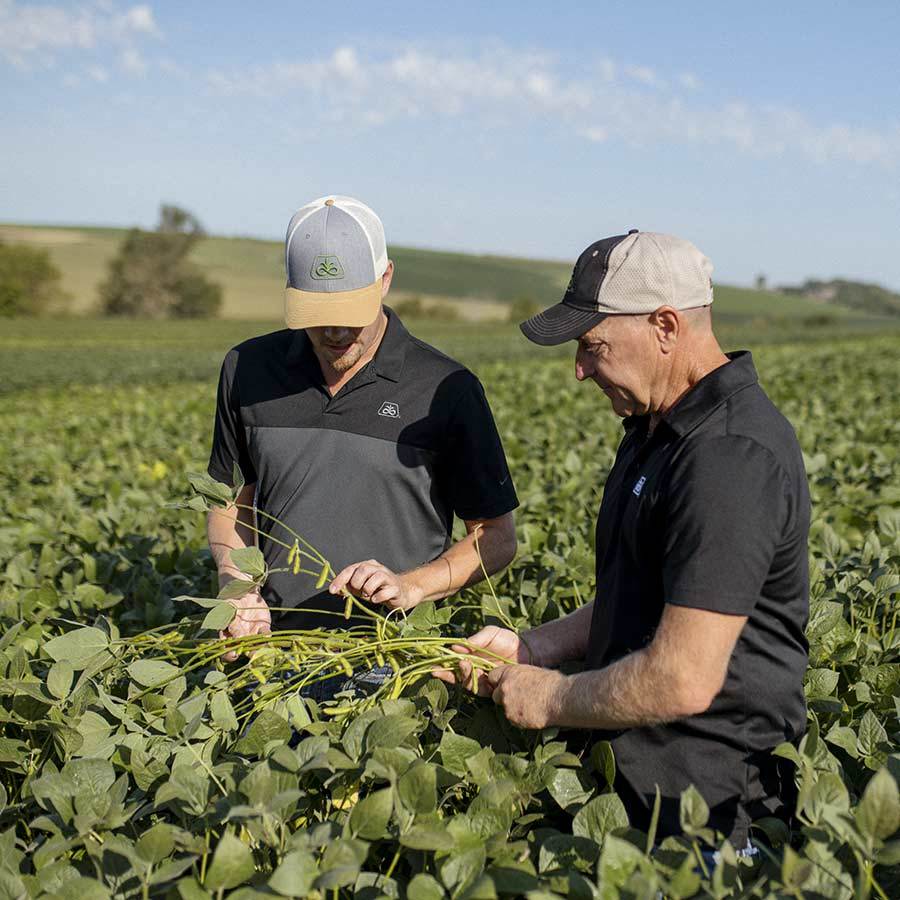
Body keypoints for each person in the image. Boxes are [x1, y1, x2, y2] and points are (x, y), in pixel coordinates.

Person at [438, 230, 810, 851]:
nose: (580, 370)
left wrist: (554, 698)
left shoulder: (727, 457)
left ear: (666, 325)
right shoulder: (652, 427)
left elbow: (684, 678)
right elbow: (645, 594)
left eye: (593, 345)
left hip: (709, 819)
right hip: (634, 797)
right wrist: (535, 646)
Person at [206, 195, 519, 693]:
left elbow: (497, 537)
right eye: (317, 311)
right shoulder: (247, 370)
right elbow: (230, 503)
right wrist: (236, 583)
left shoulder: (447, 390)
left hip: (395, 663)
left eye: (350, 310)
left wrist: (410, 586)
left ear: (385, 279)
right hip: (269, 657)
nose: (334, 331)